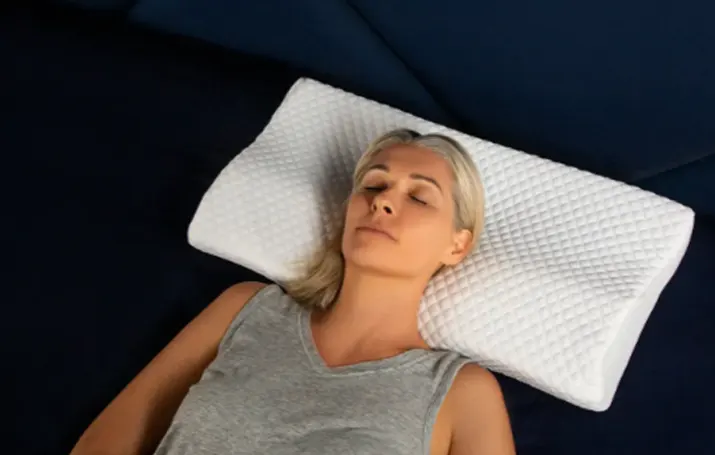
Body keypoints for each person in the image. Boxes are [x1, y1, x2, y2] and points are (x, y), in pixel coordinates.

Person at [70, 129, 516, 455]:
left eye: (419, 197)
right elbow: (104, 444)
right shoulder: (244, 309)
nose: (382, 202)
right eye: (374, 186)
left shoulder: (461, 392)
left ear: (457, 244)